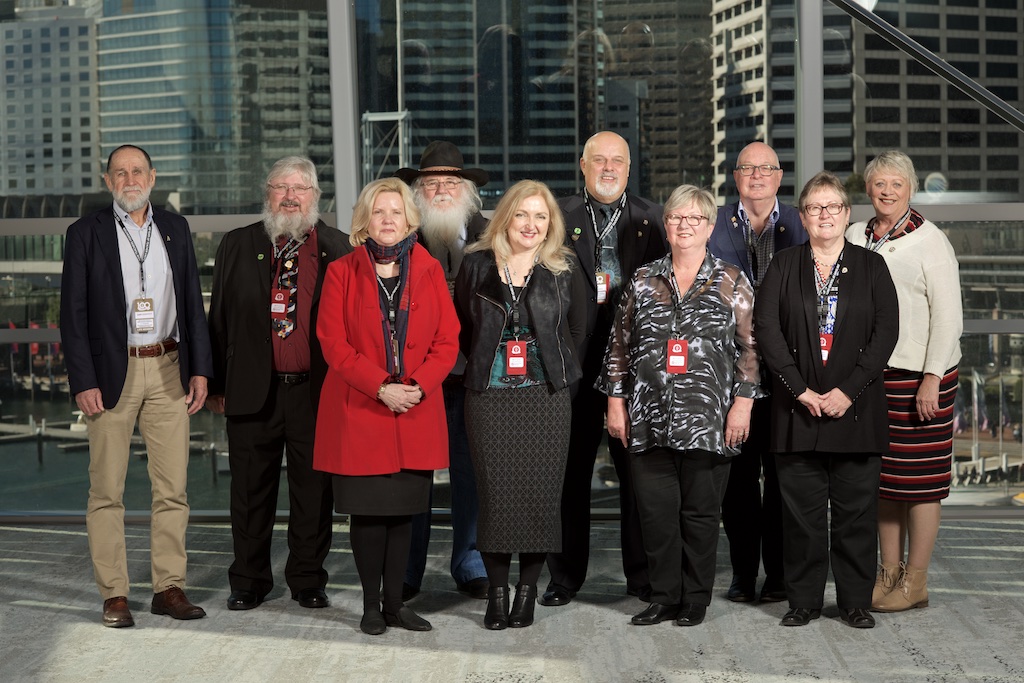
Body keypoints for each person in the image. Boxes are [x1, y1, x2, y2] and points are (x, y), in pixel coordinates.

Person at [60, 144, 212, 628]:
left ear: (152, 176)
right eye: (119, 172)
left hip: (168, 365)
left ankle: (169, 588)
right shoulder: (85, 234)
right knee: (107, 490)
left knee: (173, 489)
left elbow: (192, 304)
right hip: (111, 375)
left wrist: (200, 369)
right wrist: (82, 380)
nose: (129, 179)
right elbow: (73, 316)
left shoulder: (175, 227)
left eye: (137, 170)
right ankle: (115, 595)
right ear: (108, 181)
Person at [602, 184, 759, 628]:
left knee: (701, 516)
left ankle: (695, 598)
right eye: (676, 218)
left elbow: (751, 349)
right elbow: (618, 346)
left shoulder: (731, 280)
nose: (685, 225)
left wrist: (742, 406)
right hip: (648, 417)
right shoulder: (642, 279)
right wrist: (615, 402)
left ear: (709, 227)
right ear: (665, 226)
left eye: (695, 219)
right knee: (655, 516)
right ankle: (663, 595)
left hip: (710, 421)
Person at [313, 177, 459, 635]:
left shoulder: (430, 269)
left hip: (415, 407)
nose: (389, 220)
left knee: (403, 514)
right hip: (362, 409)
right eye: (380, 212)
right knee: (369, 514)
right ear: (365, 221)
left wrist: (416, 385)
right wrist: (381, 387)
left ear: (409, 219)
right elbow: (332, 344)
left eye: (396, 212)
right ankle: (371, 606)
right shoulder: (342, 270)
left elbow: (447, 340)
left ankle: (397, 605)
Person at [755, 171, 899, 629]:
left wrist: (846, 391)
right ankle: (803, 601)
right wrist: (800, 388)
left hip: (854, 411)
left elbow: (885, 333)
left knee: (856, 518)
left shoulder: (872, 266)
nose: (824, 215)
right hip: (797, 411)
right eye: (815, 208)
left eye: (832, 207)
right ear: (803, 216)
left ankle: (855, 602)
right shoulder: (784, 265)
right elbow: (767, 330)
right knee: (802, 520)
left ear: (846, 214)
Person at [207, 156, 351, 611]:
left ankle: (308, 578)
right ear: (266, 193)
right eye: (280, 187)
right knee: (249, 493)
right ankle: (248, 580)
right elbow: (219, 321)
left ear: (315, 197)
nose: (290, 196)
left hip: (316, 392)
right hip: (252, 389)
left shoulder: (341, 247)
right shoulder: (236, 243)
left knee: (313, 493)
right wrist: (213, 383)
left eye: (300, 188)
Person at [543, 130, 667, 607]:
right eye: (599, 160)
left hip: (633, 367)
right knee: (569, 475)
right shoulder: (559, 217)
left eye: (617, 161)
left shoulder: (653, 219)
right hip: (572, 362)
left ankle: (641, 577)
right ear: (583, 165)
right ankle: (564, 578)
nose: (608, 168)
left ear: (629, 168)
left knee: (636, 476)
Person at [455, 180, 586, 630]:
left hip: (547, 398)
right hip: (488, 399)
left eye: (541, 217)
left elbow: (578, 328)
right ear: (506, 217)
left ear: (551, 225)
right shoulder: (475, 264)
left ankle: (527, 591)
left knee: (540, 499)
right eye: (522, 215)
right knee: (493, 499)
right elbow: (461, 327)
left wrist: (566, 380)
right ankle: (496, 592)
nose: (531, 225)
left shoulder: (562, 267)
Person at [845, 151, 963, 613]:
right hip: (874, 376)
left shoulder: (932, 242)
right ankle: (888, 574)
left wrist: (932, 378)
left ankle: (916, 580)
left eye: (896, 183)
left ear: (910, 189)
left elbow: (949, 318)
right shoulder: (856, 234)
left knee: (922, 482)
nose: (887, 191)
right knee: (884, 481)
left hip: (921, 376)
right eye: (879, 184)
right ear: (868, 190)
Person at [708, 141, 807, 604]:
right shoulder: (715, 226)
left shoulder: (801, 223)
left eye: (766, 168)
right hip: (732, 374)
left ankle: (781, 575)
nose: (757, 175)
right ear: (736, 176)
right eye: (748, 168)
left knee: (785, 479)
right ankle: (743, 574)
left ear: (779, 176)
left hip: (790, 374)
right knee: (739, 485)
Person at [395, 141, 490, 601]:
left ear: (467, 190)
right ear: (417, 190)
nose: (441, 191)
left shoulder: (493, 235)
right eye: (431, 183)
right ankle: (409, 569)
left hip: (474, 378)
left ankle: (469, 561)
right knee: (415, 473)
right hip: (417, 380)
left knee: (470, 473)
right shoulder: (399, 242)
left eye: (451, 183)